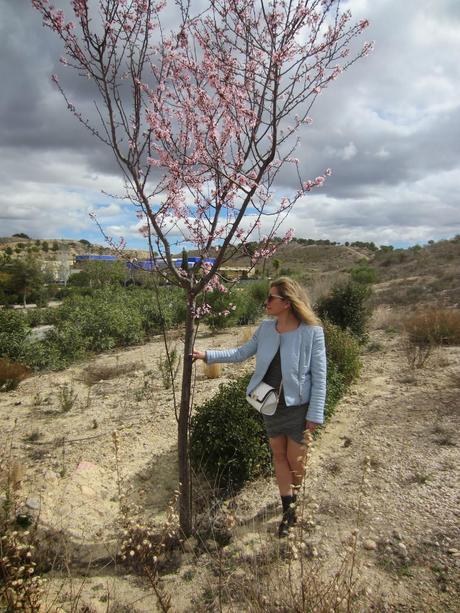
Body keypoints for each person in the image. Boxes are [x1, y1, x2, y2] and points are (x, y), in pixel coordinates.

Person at [192, 277, 327, 537]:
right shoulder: (266, 329)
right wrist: (207, 355)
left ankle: (296, 498)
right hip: (269, 404)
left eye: (271, 298)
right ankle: (289, 511)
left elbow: (320, 376)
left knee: (295, 462)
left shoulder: (312, 332)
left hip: (299, 407)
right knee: (278, 457)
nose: (266, 302)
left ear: (286, 303)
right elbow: (240, 353)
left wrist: (315, 413)